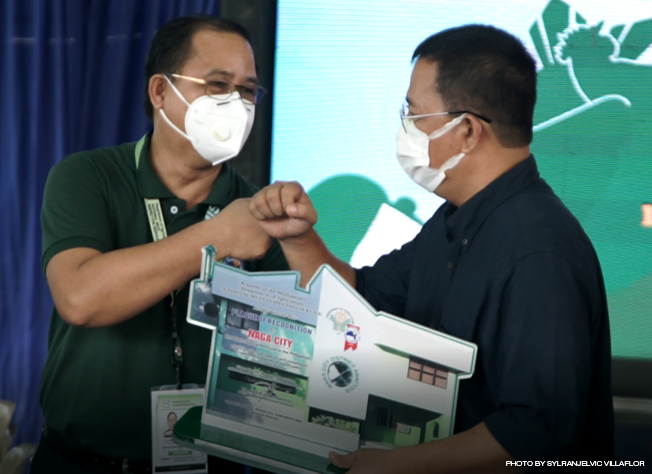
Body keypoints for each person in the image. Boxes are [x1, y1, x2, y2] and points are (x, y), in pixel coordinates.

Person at [249, 24, 613, 472]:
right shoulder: (455, 220)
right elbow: (364, 304)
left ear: (467, 131)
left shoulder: (539, 251)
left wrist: (395, 465)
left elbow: (535, 436)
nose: (405, 128)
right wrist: (297, 238)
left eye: (414, 115)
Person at [31, 14, 287, 473]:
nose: (237, 104)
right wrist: (216, 236)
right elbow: (80, 298)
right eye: (217, 85)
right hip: (83, 462)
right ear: (160, 92)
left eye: (247, 90)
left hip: (214, 464)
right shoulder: (88, 176)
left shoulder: (259, 209)